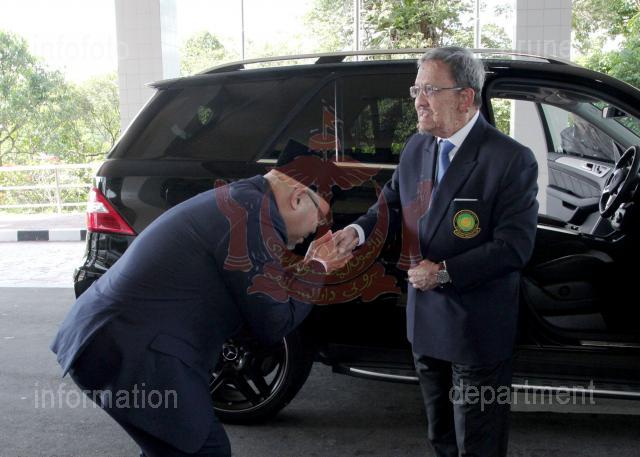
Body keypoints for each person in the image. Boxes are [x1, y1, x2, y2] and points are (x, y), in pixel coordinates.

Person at [50, 168, 350, 457]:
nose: (318, 229)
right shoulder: (252, 220)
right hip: (131, 355)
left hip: (109, 342)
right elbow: (275, 323)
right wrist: (319, 267)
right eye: (321, 216)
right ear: (297, 198)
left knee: (171, 449)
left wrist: (308, 266)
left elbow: (259, 295)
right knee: (205, 450)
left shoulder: (244, 202)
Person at [334, 47, 539, 457]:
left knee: (478, 443)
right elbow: (390, 205)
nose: (418, 101)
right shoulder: (418, 147)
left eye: (429, 90)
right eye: (416, 90)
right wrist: (355, 233)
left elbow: (514, 247)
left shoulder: (509, 159)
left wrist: (444, 271)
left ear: (465, 97)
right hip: (426, 324)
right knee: (440, 436)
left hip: (477, 330)